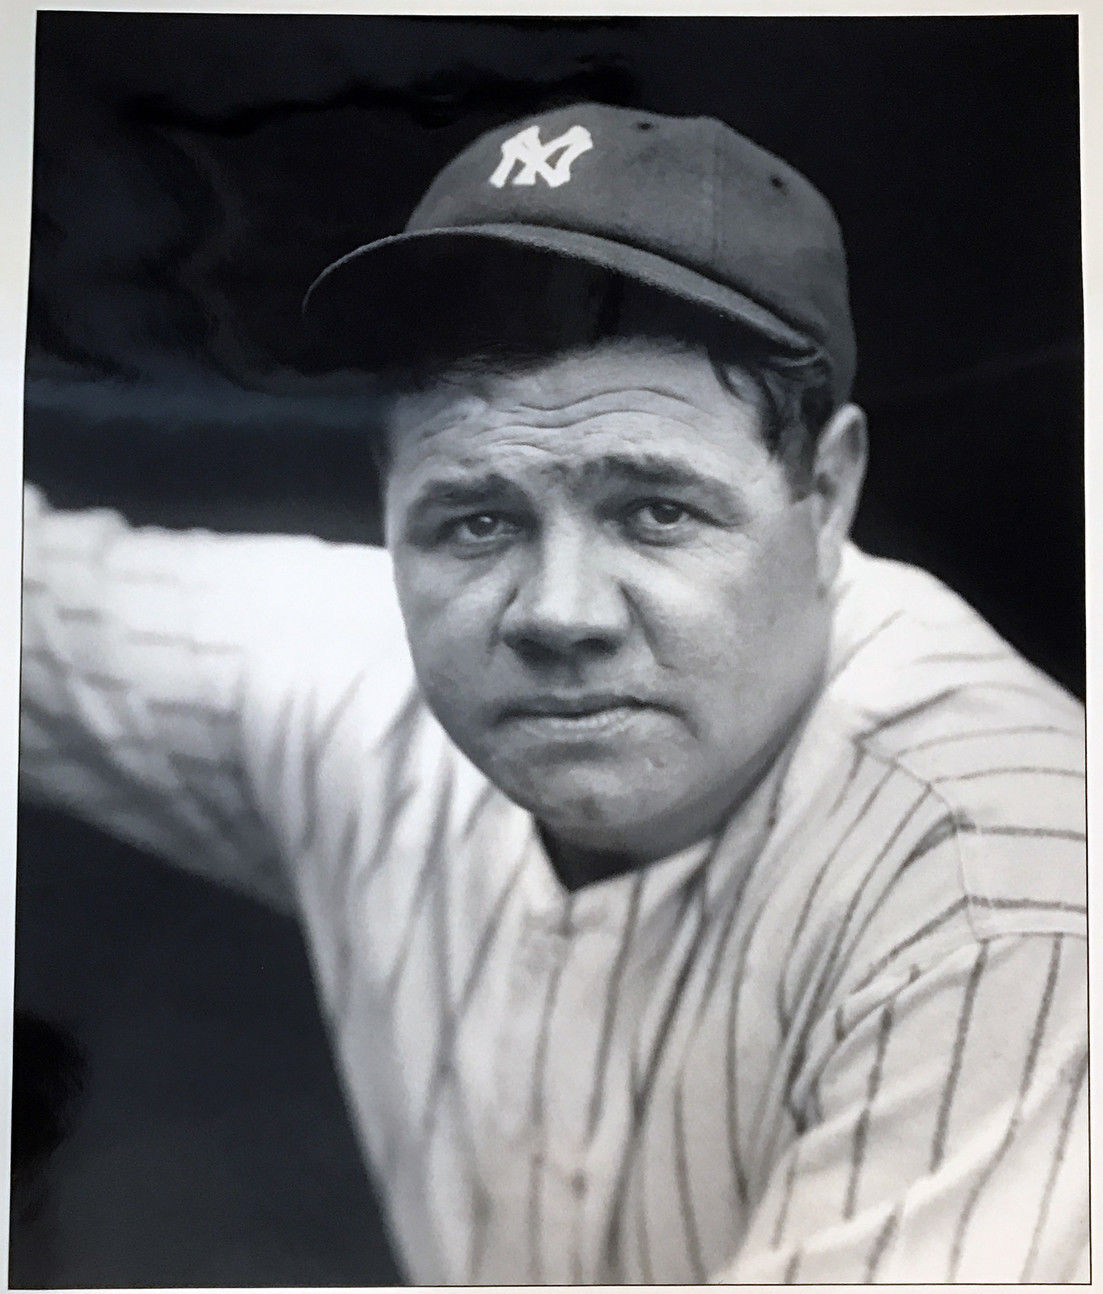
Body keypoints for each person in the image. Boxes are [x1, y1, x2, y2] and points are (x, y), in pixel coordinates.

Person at [19, 102, 1086, 1283]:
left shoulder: (1003, 867)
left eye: (654, 511)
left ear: (824, 496)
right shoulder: (351, 676)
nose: (556, 613)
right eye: (475, 519)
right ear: (389, 504)